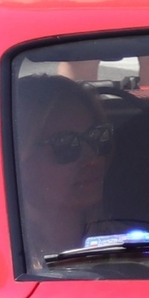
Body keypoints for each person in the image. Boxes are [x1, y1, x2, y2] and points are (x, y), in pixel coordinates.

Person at [14, 75, 116, 265]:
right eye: (65, 144)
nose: (92, 159)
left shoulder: (130, 243)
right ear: (19, 154)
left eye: (97, 137)